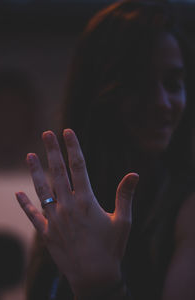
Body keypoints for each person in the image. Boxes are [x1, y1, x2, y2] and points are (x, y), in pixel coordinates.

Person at [16, 1, 195, 299]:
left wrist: (102, 285)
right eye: (139, 84)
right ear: (98, 89)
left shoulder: (186, 207)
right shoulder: (70, 202)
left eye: (173, 83)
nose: (162, 102)